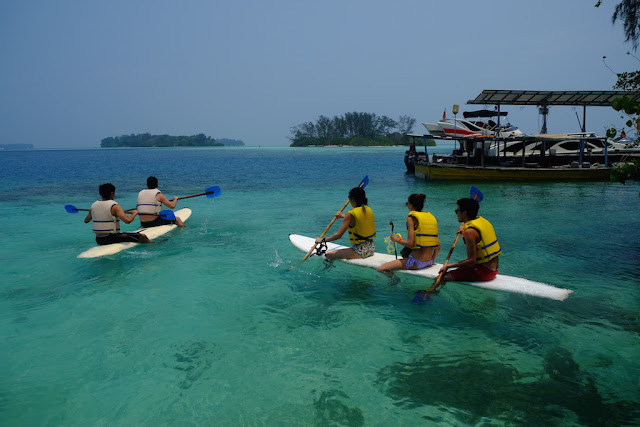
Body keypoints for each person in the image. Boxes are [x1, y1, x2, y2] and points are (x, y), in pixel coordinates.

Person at [439, 197, 501, 283]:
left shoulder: (470, 231)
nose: (456, 213)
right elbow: (470, 225)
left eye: (457, 211)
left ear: (464, 213)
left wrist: (448, 266)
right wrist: (463, 227)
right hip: (493, 268)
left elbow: (471, 261)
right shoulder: (481, 220)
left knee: (443, 276)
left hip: (485, 272)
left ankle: (431, 293)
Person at [377, 194, 440, 273]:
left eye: (407, 203)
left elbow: (410, 243)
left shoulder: (411, 219)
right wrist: (432, 259)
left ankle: (394, 280)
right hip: (429, 261)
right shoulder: (430, 218)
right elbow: (438, 246)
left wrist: (395, 239)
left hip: (416, 262)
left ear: (412, 205)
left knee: (381, 269)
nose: (406, 205)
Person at [315, 187, 376, 260]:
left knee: (328, 255)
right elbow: (358, 220)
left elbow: (338, 235)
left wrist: (323, 240)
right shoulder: (367, 209)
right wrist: (342, 216)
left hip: (360, 251)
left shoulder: (350, 214)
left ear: (352, 199)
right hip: (371, 247)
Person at [84, 183, 153, 245]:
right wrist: (134, 213)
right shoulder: (114, 206)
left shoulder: (94, 205)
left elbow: (86, 221)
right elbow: (128, 221)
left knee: (130, 234)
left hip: (98, 239)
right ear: (112, 193)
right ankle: (154, 245)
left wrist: (92, 211)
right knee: (142, 236)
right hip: (111, 238)